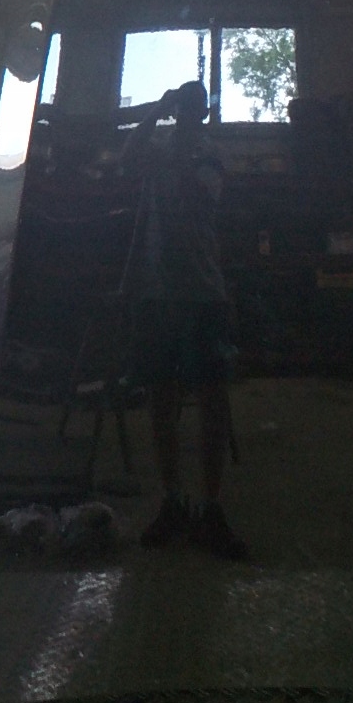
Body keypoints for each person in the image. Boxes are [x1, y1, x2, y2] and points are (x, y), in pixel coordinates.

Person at [121, 80, 248, 560]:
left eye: (194, 106)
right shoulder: (160, 147)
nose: (188, 112)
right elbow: (127, 156)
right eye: (183, 104)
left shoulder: (209, 155)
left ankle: (211, 506)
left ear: (203, 113)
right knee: (161, 398)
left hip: (200, 291)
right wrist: (156, 109)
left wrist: (172, 140)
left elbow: (197, 195)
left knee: (212, 400)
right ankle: (173, 499)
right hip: (158, 291)